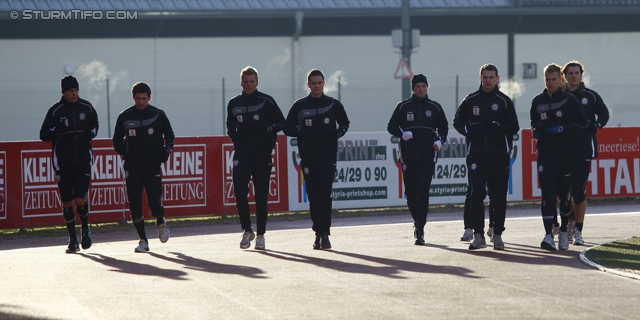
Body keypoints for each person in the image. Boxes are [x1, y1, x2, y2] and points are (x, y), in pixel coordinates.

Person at [453, 64, 519, 250]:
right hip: (477, 155)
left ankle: (497, 234)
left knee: (498, 196)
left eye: (491, 77)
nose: (488, 80)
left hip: (499, 156)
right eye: (485, 77)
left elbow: (514, 126)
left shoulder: (504, 101)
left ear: (497, 79)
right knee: (477, 194)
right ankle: (478, 235)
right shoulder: (471, 100)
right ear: (480, 78)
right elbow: (458, 121)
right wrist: (469, 130)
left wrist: (496, 126)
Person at [283, 69, 350, 250]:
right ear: (308, 85)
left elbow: (345, 123)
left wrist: (336, 134)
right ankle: (317, 233)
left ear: (324, 83)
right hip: (308, 158)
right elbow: (287, 128)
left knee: (324, 194)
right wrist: (302, 132)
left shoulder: (333, 104)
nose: (316, 86)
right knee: (313, 196)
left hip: (328, 157)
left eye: (319, 83)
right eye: (313, 83)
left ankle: (325, 234)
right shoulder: (300, 106)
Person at [530, 63, 589, 251]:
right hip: (545, 154)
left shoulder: (570, 100)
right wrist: (536, 131)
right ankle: (548, 234)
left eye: (554, 79)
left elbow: (582, 124)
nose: (550, 82)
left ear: (560, 80)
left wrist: (564, 129)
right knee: (547, 194)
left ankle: (564, 230)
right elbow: (534, 122)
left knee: (565, 195)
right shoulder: (537, 101)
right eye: (547, 79)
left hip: (565, 155)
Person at [227, 66, 285, 250]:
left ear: (257, 82)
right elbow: (230, 124)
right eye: (245, 82)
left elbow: (281, 123)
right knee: (239, 191)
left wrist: (267, 129)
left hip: (262, 155)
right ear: (241, 83)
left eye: (252, 82)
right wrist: (234, 136)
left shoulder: (266, 101)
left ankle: (260, 235)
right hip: (242, 154)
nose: (249, 85)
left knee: (260, 195)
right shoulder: (233, 103)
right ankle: (247, 230)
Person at [112, 82, 175, 253]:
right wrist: (122, 149)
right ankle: (143, 240)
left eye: (144, 99)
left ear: (150, 98)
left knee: (154, 204)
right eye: (138, 99)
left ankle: (160, 221)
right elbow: (116, 140)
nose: (141, 102)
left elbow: (170, 136)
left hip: (152, 166)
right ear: (133, 97)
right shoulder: (124, 116)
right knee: (134, 205)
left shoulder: (158, 115)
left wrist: (166, 151)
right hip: (132, 167)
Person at [40, 75, 99, 253]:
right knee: (67, 202)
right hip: (62, 163)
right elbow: (43, 134)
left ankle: (86, 230)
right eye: (71, 91)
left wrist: (92, 132)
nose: (74, 94)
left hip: (83, 160)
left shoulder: (86, 107)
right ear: (64, 92)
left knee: (80, 198)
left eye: (76, 90)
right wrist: (56, 130)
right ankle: (72, 240)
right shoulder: (55, 111)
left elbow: (95, 124)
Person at [387, 74, 449, 246]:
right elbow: (391, 126)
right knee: (411, 193)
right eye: (417, 86)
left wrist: (439, 140)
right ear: (413, 88)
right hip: (408, 155)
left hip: (428, 155)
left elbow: (444, 127)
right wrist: (402, 133)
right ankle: (417, 221)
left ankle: (419, 229)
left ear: (427, 87)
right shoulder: (403, 106)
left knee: (423, 192)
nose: (420, 89)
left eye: (423, 86)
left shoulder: (435, 107)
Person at [562, 61, 609, 245]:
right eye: (570, 73)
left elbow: (604, 115)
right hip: (562, 150)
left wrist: (596, 125)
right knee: (565, 192)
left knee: (578, 191)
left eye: (576, 73)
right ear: (564, 76)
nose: (573, 76)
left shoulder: (591, 96)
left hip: (583, 149)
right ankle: (568, 223)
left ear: (582, 75)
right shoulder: (560, 95)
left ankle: (578, 229)